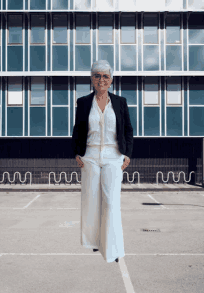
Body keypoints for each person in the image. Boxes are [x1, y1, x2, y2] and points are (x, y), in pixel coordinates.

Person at [71, 60, 133, 263]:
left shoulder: (120, 102)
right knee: (91, 200)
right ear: (91, 79)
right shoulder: (83, 102)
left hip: (113, 156)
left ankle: (113, 249)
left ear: (111, 80)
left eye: (105, 76)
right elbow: (77, 130)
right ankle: (96, 241)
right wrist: (76, 153)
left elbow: (128, 131)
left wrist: (128, 154)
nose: (101, 79)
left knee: (111, 201)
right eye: (97, 75)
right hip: (89, 156)